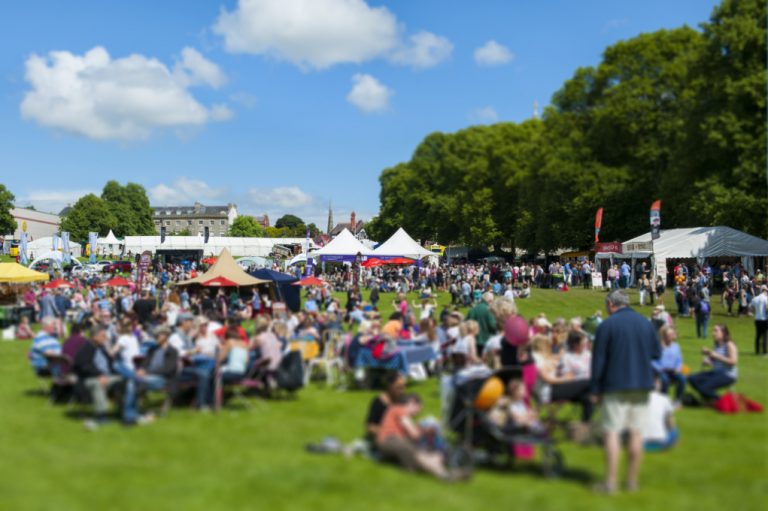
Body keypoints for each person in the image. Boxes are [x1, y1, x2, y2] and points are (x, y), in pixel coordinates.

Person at [590, 290, 661, 494]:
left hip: (615, 384)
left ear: (611, 304)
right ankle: (631, 481)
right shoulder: (645, 323)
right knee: (636, 433)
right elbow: (656, 353)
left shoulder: (607, 325)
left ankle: (610, 483)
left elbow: (598, 361)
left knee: (611, 431)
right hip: (642, 382)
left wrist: (595, 388)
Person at [376, 393, 456, 481]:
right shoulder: (399, 409)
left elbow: (413, 436)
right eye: (418, 410)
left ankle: (444, 472)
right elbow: (414, 434)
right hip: (390, 440)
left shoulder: (398, 413)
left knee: (425, 455)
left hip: (393, 444)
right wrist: (426, 430)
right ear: (413, 403)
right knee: (418, 455)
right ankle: (443, 474)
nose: (417, 414)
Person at [73, 324, 123, 428]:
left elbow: (111, 364)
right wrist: (99, 375)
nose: (106, 338)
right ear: (94, 337)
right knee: (98, 384)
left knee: (124, 380)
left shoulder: (102, 348)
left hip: (107, 376)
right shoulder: (86, 348)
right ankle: (101, 415)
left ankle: (125, 411)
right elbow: (83, 366)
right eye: (103, 336)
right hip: (88, 379)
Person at [687, 324, 738, 403]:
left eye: (716, 331)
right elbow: (715, 360)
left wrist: (716, 356)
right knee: (692, 379)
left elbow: (733, 361)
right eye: (713, 331)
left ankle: (721, 401)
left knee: (704, 387)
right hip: (716, 372)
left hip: (728, 374)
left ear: (723, 333)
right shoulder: (716, 345)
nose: (713, 333)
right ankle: (709, 399)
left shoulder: (729, 344)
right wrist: (708, 359)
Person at [364, 372, 407, 448]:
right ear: (390, 386)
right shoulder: (378, 402)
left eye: (403, 387)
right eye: (398, 387)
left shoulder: (402, 400)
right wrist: (389, 432)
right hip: (384, 437)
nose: (402, 391)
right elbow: (370, 427)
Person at [643, 377, 678, 452]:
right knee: (675, 429)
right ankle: (673, 444)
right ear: (658, 385)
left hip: (640, 442)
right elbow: (670, 423)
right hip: (661, 443)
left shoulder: (637, 399)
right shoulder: (664, 399)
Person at [653, 325, 685, 406]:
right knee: (664, 379)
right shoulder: (658, 347)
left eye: (672, 335)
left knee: (682, 379)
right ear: (664, 336)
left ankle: (677, 400)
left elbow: (679, 361)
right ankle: (664, 400)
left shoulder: (676, 346)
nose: (671, 337)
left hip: (673, 371)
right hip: (661, 371)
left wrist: (678, 368)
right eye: (668, 335)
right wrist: (660, 369)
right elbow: (652, 361)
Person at [748, 286, 768, 355]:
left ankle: (757, 351)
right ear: (764, 290)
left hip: (757, 319)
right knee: (764, 335)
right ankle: (764, 351)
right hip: (764, 319)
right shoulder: (766, 298)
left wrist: (755, 312)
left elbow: (751, 308)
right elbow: (766, 308)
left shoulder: (755, 298)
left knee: (758, 335)